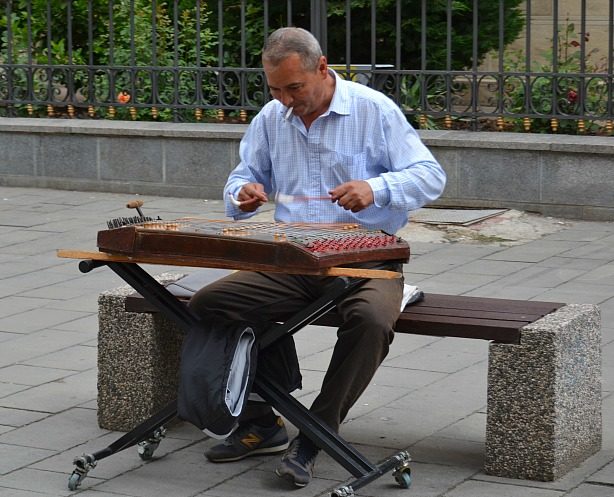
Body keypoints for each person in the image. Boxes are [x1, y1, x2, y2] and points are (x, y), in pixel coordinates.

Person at [189, 26, 446, 488]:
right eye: (275, 89)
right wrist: (242, 195)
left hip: (369, 257)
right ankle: (263, 419)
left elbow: (430, 176)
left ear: (322, 68)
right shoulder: (271, 117)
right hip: (292, 258)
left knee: (370, 319)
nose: (286, 100)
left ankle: (317, 432)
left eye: (295, 88)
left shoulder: (373, 110)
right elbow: (241, 177)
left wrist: (376, 187)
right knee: (210, 303)